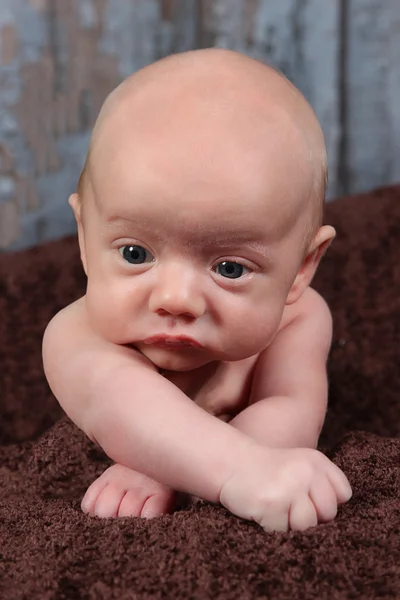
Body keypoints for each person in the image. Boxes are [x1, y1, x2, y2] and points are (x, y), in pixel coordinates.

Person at [42, 48, 352, 532]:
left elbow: (291, 409)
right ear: (84, 237)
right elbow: (121, 400)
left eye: (230, 267)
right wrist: (226, 469)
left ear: (300, 270)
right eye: (134, 254)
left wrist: (243, 468)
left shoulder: (299, 317)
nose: (177, 299)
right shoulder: (75, 334)